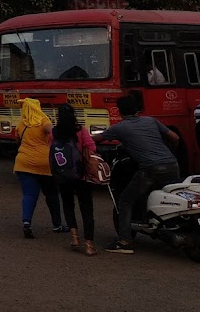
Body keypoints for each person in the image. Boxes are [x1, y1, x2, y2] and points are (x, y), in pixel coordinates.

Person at [96, 94, 179, 254]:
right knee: (166, 195)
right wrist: (171, 152)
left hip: (150, 169)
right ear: (137, 110)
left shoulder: (119, 127)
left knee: (125, 201)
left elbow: (96, 139)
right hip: (172, 164)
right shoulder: (150, 120)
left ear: (120, 111)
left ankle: (125, 241)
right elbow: (174, 137)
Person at [13, 98, 64, 239]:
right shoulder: (43, 121)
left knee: (29, 195)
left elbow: (17, 141)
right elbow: (52, 132)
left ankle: (26, 222)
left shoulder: (21, 124)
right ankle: (57, 224)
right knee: (52, 195)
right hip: (45, 164)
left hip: (23, 164)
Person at [52, 103, 98, 256]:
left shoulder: (55, 132)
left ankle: (75, 238)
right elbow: (92, 148)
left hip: (63, 174)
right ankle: (89, 245)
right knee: (86, 209)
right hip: (81, 174)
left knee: (68, 205)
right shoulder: (80, 130)